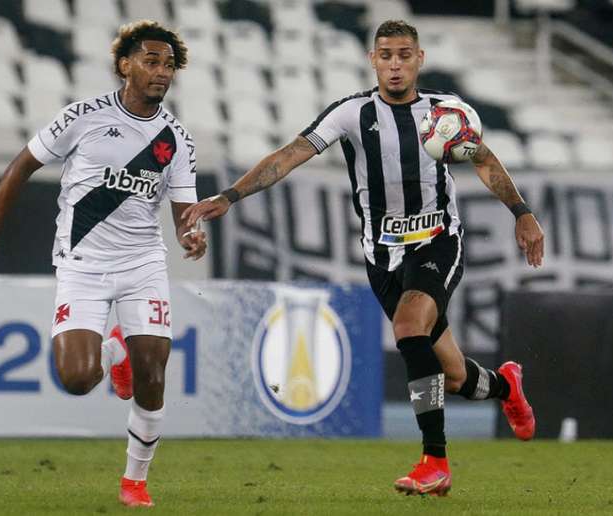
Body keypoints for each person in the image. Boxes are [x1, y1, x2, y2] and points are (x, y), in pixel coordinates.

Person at [182, 19, 542, 497]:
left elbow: (485, 160)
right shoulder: (350, 114)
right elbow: (288, 156)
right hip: (382, 255)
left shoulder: (445, 116)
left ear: (420, 59)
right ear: (373, 60)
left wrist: (521, 212)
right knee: (453, 375)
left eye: (404, 55)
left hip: (438, 241)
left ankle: (435, 461)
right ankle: (504, 386)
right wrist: (229, 196)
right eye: (386, 55)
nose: (395, 65)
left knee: (410, 327)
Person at [0, 20, 206, 508]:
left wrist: (191, 234)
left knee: (153, 371)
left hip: (142, 264)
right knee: (75, 380)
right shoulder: (83, 116)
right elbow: (21, 167)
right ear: (124, 66)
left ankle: (135, 482)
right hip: (83, 264)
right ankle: (115, 352)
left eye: (169, 65)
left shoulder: (176, 138)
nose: (161, 72)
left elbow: (182, 212)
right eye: (151, 61)